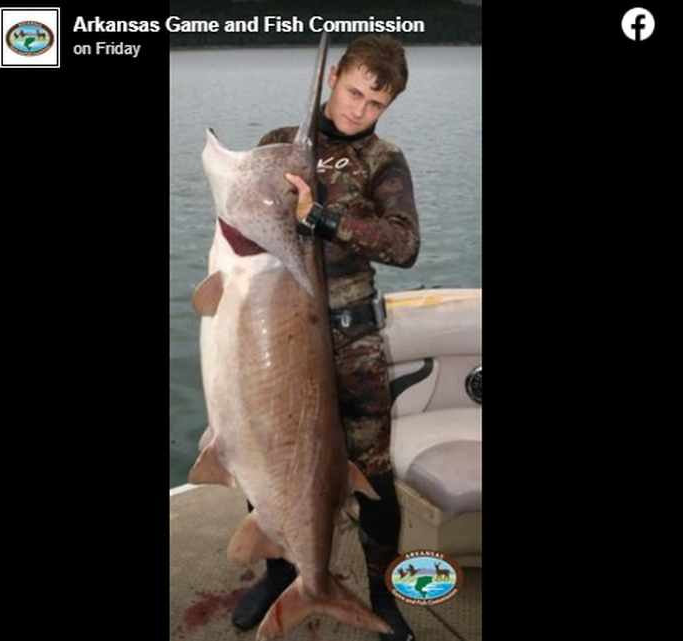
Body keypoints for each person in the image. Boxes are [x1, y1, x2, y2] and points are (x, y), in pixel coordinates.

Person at [231, 35, 420, 641]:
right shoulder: (280, 146)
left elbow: (404, 244)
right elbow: (243, 222)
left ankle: (381, 592)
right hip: (280, 336)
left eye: (375, 103)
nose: (359, 110)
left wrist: (323, 217)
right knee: (272, 458)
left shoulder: (383, 160)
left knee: (374, 473)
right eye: (354, 92)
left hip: (353, 338)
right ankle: (280, 572)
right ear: (333, 76)